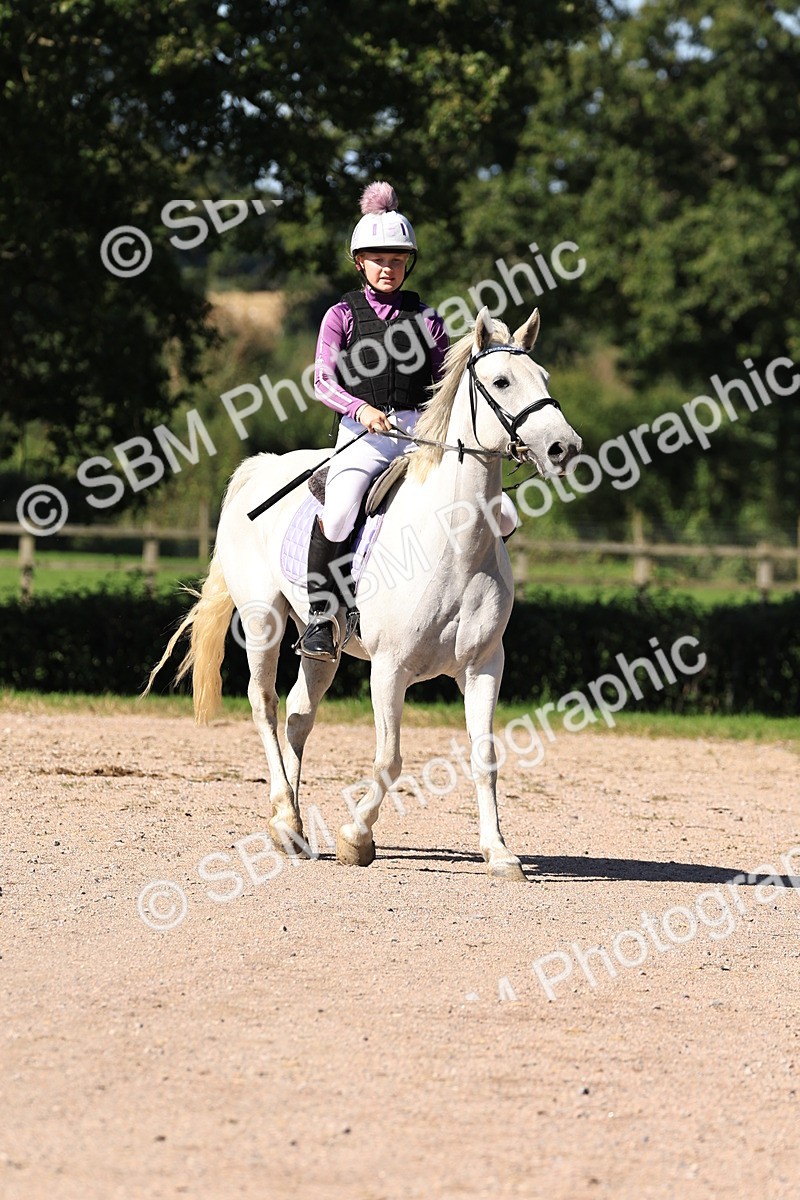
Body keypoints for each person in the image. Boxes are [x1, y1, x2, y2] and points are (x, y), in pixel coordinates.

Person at [298, 181, 517, 661]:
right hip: (363, 436)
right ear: (360, 262)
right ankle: (319, 617)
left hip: (423, 436)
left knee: (502, 513)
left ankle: (475, 605)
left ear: (407, 263)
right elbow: (322, 382)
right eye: (377, 259)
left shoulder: (430, 320)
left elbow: (447, 381)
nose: (387, 268)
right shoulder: (341, 316)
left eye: (396, 260)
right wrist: (361, 410)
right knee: (338, 512)